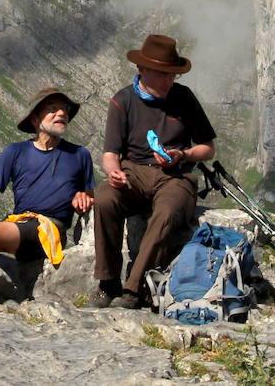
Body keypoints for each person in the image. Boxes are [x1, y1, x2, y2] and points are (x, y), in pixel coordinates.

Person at [92, 34, 216, 309]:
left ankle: (135, 289)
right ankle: (107, 281)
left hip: (176, 176)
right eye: (162, 74)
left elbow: (208, 148)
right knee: (104, 198)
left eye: (172, 75)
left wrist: (182, 155)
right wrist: (114, 172)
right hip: (133, 171)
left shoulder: (184, 98)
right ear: (142, 70)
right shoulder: (122, 101)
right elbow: (110, 154)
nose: (168, 81)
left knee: (169, 210)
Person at [0, 88, 94, 268]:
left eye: (64, 109)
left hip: (50, 230)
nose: (62, 113)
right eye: (52, 109)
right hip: (20, 224)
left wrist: (84, 198)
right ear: (35, 119)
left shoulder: (80, 154)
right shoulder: (15, 152)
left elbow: (88, 197)